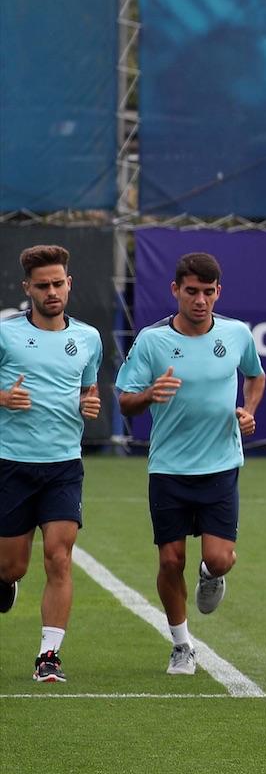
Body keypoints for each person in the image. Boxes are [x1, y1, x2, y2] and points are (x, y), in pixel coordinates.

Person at [116, 252, 265, 676]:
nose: (200, 300)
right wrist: (149, 394)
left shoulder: (237, 334)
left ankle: (210, 573)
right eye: (192, 291)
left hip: (220, 465)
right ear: (175, 290)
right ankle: (182, 645)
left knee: (220, 559)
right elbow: (125, 400)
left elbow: (256, 376)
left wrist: (248, 410)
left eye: (208, 292)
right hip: (169, 468)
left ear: (218, 292)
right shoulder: (152, 340)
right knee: (169, 561)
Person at [0, 245, 103, 683]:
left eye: (58, 283)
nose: (52, 292)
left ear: (69, 283)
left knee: (59, 557)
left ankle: (49, 656)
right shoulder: (5, 334)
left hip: (63, 466)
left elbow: (87, 391)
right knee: (11, 566)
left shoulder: (89, 338)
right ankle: (6, 580)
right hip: (11, 464)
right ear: (28, 288)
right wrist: (3, 397)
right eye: (42, 285)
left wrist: (88, 404)